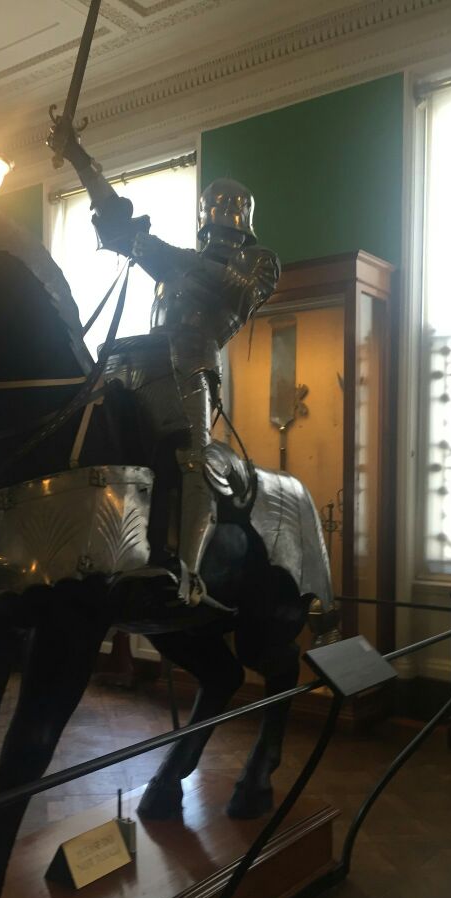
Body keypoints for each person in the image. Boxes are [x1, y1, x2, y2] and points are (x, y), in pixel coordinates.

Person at [49, 120, 280, 606]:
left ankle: (187, 571)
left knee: (192, 457)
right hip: (134, 364)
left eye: (227, 218)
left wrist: (155, 249)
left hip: (191, 367)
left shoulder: (256, 262)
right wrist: (80, 161)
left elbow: (238, 294)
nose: (221, 226)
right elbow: (117, 224)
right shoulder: (178, 263)